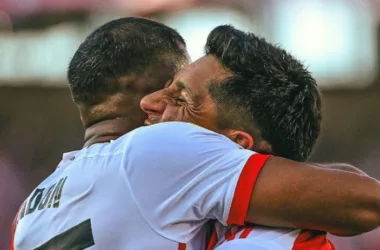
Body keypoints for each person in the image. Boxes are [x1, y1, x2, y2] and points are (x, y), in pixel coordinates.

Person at [10, 18, 380, 250]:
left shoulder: (27, 212)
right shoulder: (156, 149)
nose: (151, 103)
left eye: (180, 96)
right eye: (167, 88)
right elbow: (365, 199)